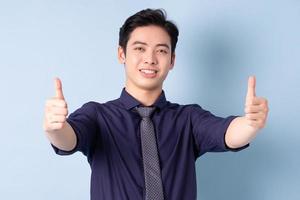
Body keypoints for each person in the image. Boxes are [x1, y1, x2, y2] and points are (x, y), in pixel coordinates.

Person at [43, 8, 269, 200]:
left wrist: (250, 124)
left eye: (161, 50)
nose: (150, 59)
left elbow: (227, 133)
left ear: (172, 60)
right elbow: (68, 140)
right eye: (139, 48)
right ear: (121, 54)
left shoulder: (188, 118)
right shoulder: (98, 116)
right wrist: (56, 128)